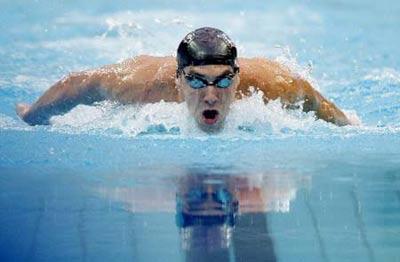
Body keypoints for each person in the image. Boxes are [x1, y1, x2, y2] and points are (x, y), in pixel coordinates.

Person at [16, 27, 351, 132]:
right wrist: (31, 115)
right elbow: (79, 84)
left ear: (237, 78)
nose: (209, 95)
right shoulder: (139, 86)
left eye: (222, 81)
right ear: (177, 81)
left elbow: (316, 102)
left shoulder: (273, 85)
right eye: (195, 81)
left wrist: (348, 126)